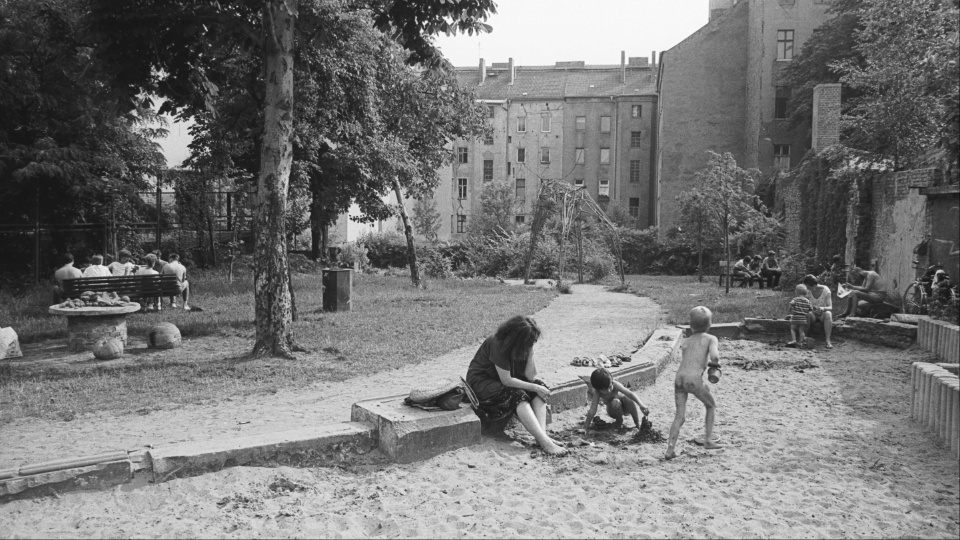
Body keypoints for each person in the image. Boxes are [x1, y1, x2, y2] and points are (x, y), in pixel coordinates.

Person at [465, 315, 567, 455]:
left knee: (539, 388)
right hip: (482, 384)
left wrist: (530, 353)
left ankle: (542, 437)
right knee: (518, 395)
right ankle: (545, 443)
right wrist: (535, 387)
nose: (532, 344)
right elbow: (506, 380)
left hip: (502, 381)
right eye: (530, 342)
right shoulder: (497, 343)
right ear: (517, 339)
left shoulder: (523, 347)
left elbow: (530, 376)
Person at [665, 306, 722, 460]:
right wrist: (715, 367)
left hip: (679, 379)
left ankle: (670, 449)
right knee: (711, 405)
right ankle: (708, 440)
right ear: (710, 324)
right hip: (694, 380)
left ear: (691, 325)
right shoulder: (711, 339)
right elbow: (715, 357)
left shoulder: (687, 341)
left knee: (679, 416)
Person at [583, 367, 650, 432]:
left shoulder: (616, 385)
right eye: (605, 389)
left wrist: (641, 405)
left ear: (612, 380)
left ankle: (637, 423)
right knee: (615, 402)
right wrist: (585, 427)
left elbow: (630, 394)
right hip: (613, 410)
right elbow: (593, 409)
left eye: (610, 386)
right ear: (598, 389)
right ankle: (619, 422)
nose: (609, 390)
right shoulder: (597, 392)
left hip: (626, 408)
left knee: (628, 398)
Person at [803, 274, 834, 349]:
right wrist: (811, 308)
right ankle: (804, 338)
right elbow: (804, 305)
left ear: (814, 286)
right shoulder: (808, 291)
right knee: (807, 314)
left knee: (828, 314)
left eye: (808, 287)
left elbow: (830, 307)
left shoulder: (826, 290)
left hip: (822, 314)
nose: (807, 288)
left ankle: (828, 341)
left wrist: (823, 308)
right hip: (812, 314)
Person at [787, 284, 814, 348]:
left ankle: (794, 340)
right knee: (801, 330)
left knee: (792, 329)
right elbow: (811, 309)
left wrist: (790, 308)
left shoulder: (795, 299)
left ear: (796, 292)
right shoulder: (807, 301)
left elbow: (791, 304)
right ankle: (801, 342)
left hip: (795, 317)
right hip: (803, 319)